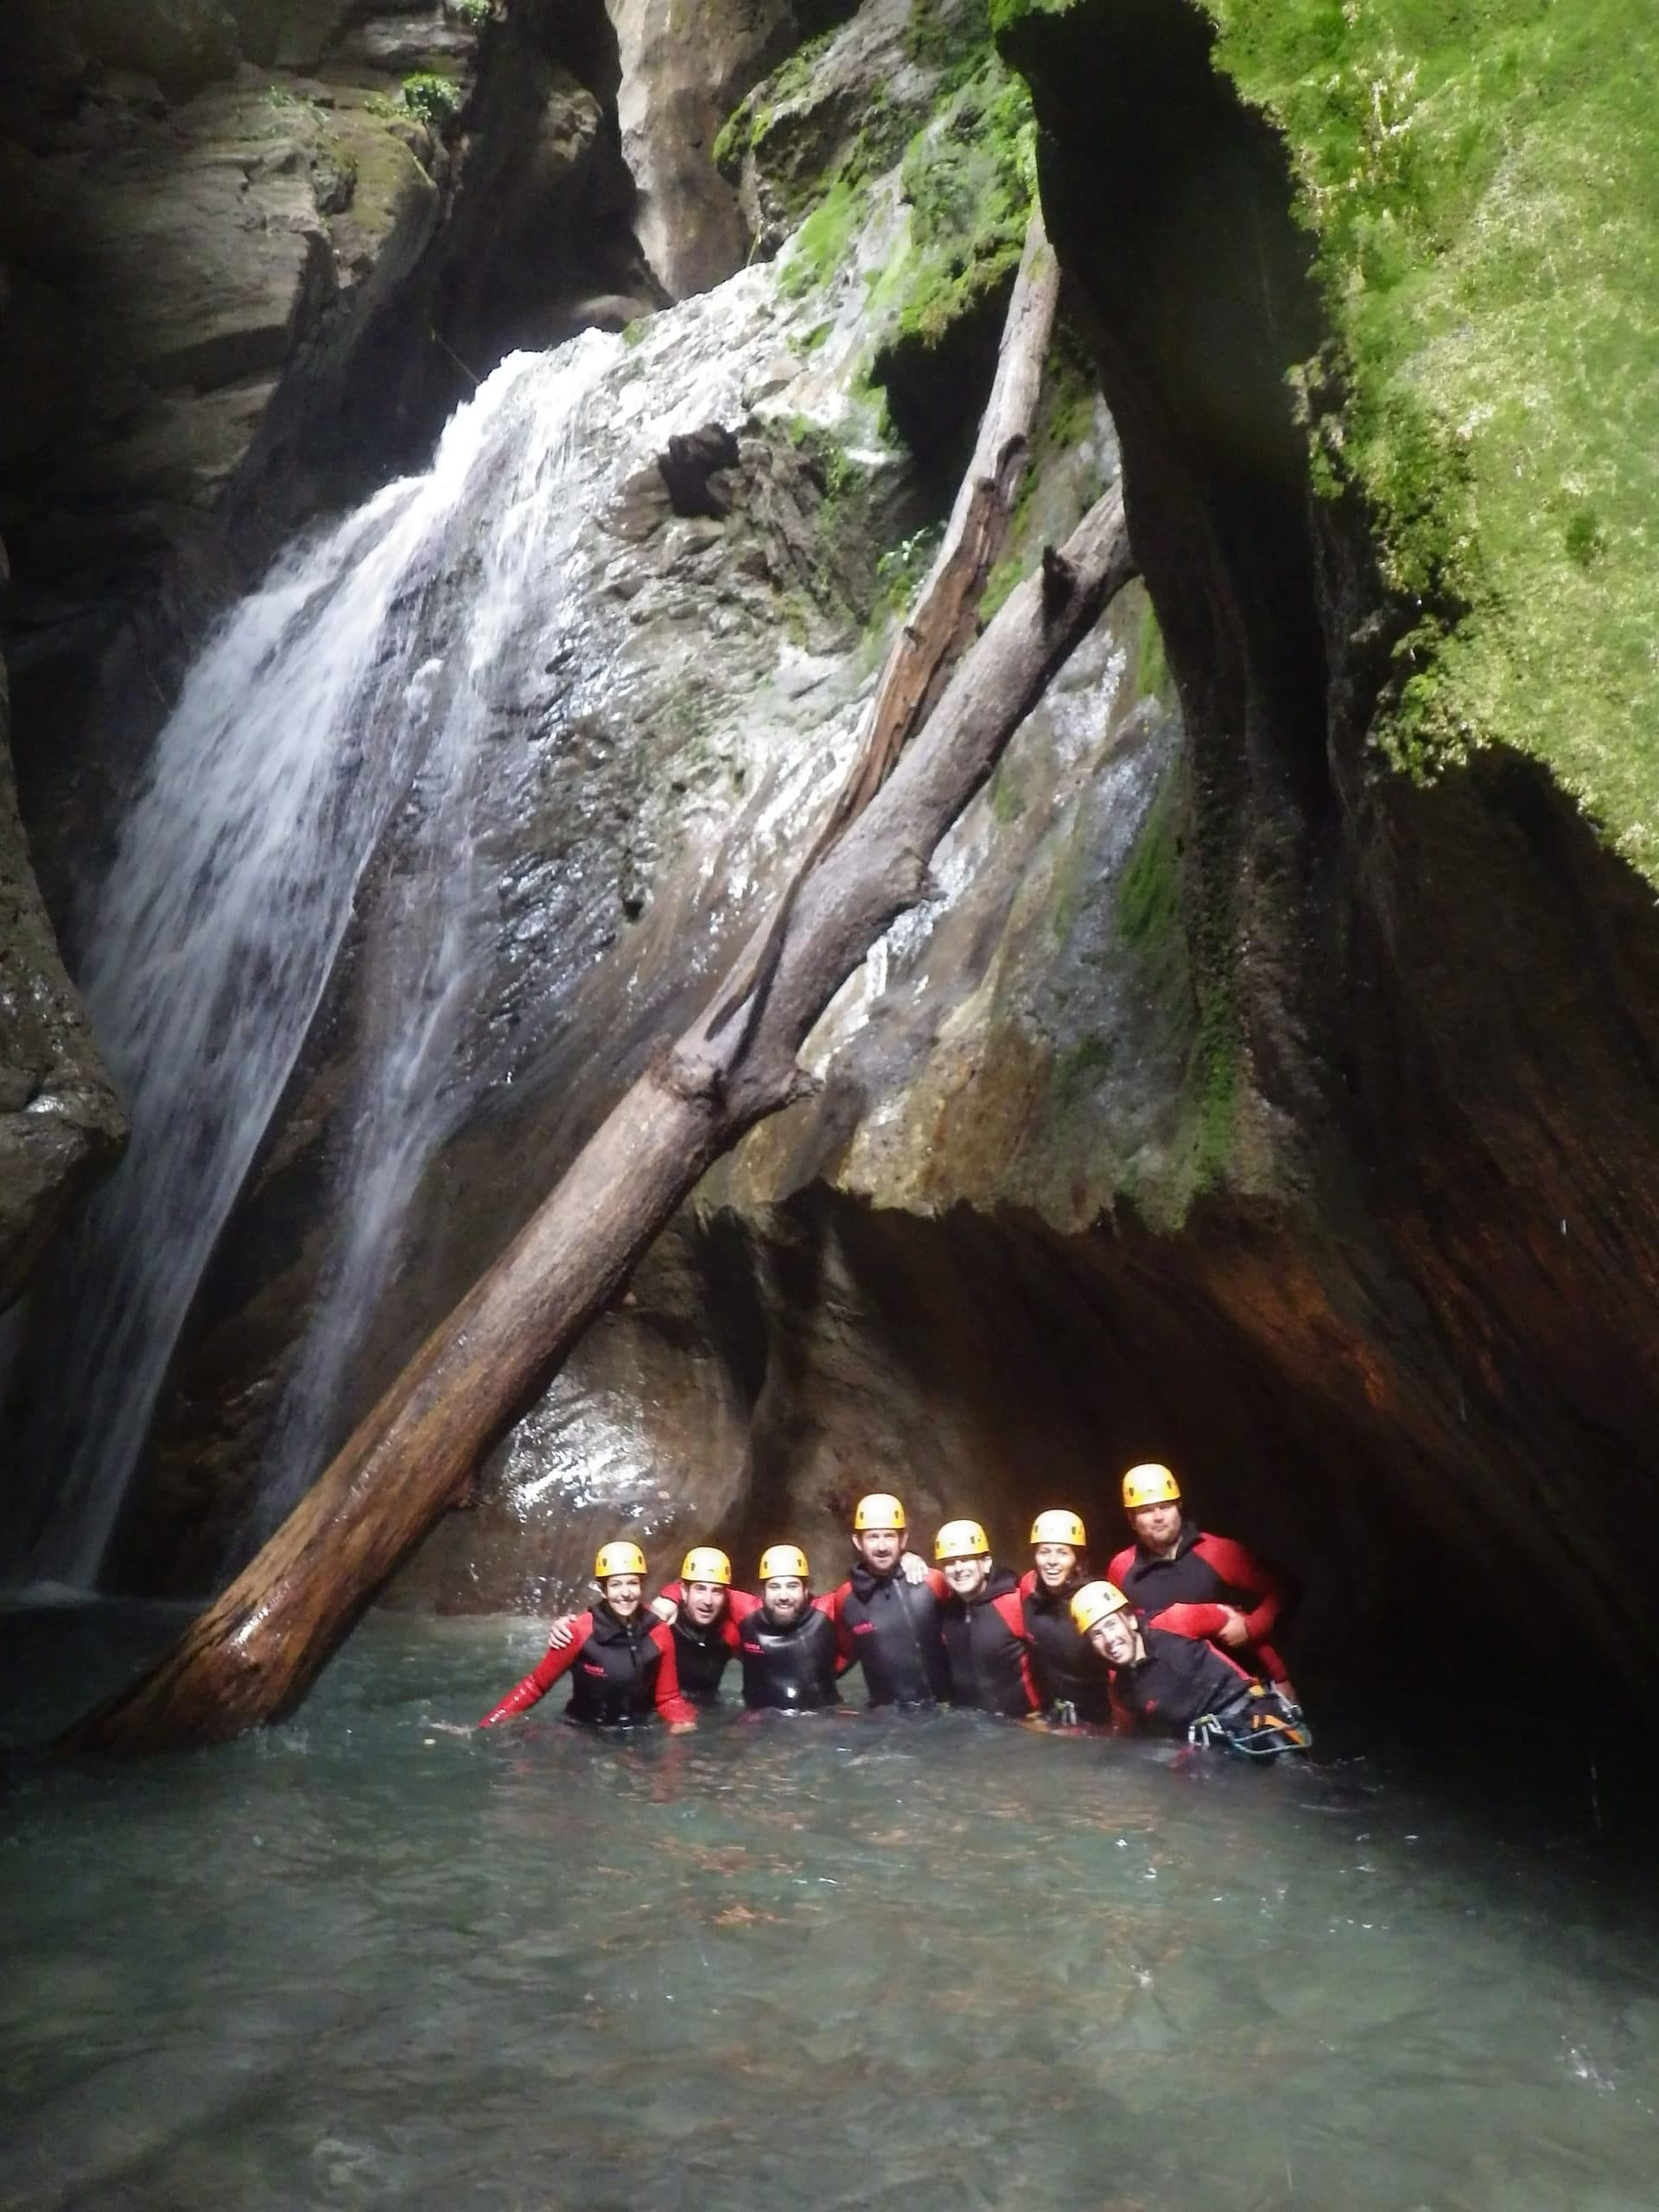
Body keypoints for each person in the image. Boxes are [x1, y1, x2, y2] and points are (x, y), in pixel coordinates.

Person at [1106, 1463, 1298, 1699]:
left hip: (1243, 1689)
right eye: (1146, 1510)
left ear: (1178, 1507)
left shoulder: (1217, 1552)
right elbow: (1117, 1632)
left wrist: (1251, 1628)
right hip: (1175, 1700)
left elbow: (1282, 1588)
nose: (1158, 1517)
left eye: (1165, 1506)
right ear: (1132, 1519)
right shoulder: (1122, 1568)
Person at [1070, 1580, 1310, 1756]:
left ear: (1130, 1619)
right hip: (1206, 1749)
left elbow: (1242, 1627)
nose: (1109, 1639)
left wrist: (1281, 1677)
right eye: (1097, 1635)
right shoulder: (1121, 1688)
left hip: (1252, 1720)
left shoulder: (1174, 1621)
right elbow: (1127, 1736)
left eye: (1111, 1625)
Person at [479, 1541, 696, 1730]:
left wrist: (683, 1722)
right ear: (603, 1590)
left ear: (641, 1586)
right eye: (616, 1585)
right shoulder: (578, 1631)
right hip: (583, 1730)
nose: (625, 1593)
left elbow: (669, 1698)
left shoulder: (659, 1631)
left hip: (638, 1731)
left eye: (632, 1583)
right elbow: (535, 1686)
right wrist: (488, 1724)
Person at [822, 1492, 950, 1707]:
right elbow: (842, 1656)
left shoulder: (932, 1582)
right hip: (883, 1718)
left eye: (889, 1536)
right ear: (858, 1541)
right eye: (873, 1537)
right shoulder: (846, 1597)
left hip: (942, 1714)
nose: (882, 1547)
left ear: (903, 1539)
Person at [931, 1519, 1039, 1718]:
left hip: (1022, 1723)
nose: (958, 1568)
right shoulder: (946, 1612)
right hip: (971, 1724)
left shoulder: (1013, 1602)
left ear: (986, 1563)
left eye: (966, 1559)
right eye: (950, 1562)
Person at [1017, 1509, 1113, 1725]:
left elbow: (1118, 1670)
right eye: (1044, 1552)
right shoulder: (1031, 1598)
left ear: (1077, 1560)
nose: (1052, 1561)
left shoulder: (1096, 1599)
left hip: (1096, 1721)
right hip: (1053, 1716)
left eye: (1062, 1552)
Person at [735, 1545, 845, 1711]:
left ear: (806, 1589)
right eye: (774, 1587)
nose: (783, 1596)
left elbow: (856, 1591)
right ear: (763, 1591)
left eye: (792, 1586)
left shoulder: (826, 1614)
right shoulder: (747, 1618)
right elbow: (706, 1594)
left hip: (820, 1720)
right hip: (760, 1722)